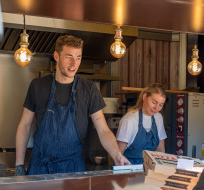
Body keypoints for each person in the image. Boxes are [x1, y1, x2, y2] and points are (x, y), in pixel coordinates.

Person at [15, 35, 130, 175]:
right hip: (40, 168)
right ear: (56, 56)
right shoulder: (38, 86)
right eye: (69, 57)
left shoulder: (88, 89)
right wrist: (19, 165)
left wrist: (117, 154)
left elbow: (103, 130)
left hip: (73, 169)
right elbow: (25, 125)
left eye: (78, 57)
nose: (74, 64)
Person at [116, 83, 167, 164]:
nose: (157, 108)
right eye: (154, 102)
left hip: (150, 168)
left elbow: (160, 149)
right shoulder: (129, 120)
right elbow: (118, 154)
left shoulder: (158, 118)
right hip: (129, 169)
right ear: (144, 97)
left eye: (160, 105)